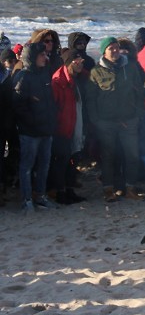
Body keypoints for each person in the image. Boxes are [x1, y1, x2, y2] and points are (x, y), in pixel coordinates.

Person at [85, 37, 145, 202]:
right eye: (111, 48)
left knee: (132, 155)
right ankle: (108, 190)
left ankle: (130, 189)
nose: (115, 51)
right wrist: (96, 120)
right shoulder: (96, 72)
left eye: (117, 47)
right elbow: (90, 99)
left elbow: (139, 91)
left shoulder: (130, 68)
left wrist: (138, 114)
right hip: (106, 122)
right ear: (104, 51)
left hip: (129, 120)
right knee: (108, 156)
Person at [12, 43, 58, 211]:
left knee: (44, 166)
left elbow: (50, 102)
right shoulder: (23, 76)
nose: (45, 57)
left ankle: (40, 196)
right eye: (42, 55)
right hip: (30, 132)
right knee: (27, 166)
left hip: (46, 130)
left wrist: (51, 121)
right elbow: (18, 106)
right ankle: (26, 200)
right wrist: (33, 122)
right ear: (32, 57)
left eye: (46, 54)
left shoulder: (44, 74)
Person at [49, 50, 87, 204]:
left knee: (74, 159)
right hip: (62, 129)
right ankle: (60, 192)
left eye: (81, 61)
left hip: (75, 125)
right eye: (78, 61)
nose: (81, 64)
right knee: (62, 161)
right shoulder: (58, 80)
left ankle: (70, 190)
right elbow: (54, 108)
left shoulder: (77, 78)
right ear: (70, 62)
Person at [0, 48, 19, 205]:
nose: (12, 64)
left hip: (7, 123)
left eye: (14, 61)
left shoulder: (9, 77)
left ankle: (3, 190)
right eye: (9, 61)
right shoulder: (5, 78)